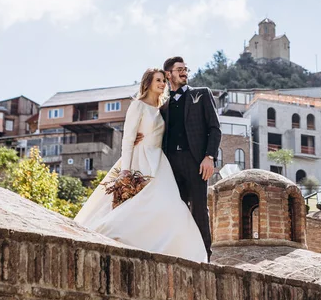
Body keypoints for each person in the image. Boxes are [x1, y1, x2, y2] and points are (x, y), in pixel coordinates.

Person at [74, 68, 207, 263]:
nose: (162, 84)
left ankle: (179, 250)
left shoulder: (162, 108)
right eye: (158, 80)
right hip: (140, 160)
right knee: (137, 204)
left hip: (160, 162)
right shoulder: (138, 106)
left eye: (164, 81)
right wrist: (126, 170)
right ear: (148, 83)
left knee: (172, 205)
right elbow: (127, 140)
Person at [158, 56, 221, 261]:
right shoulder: (164, 107)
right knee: (176, 208)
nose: (184, 72)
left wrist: (209, 157)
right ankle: (180, 252)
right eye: (179, 69)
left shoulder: (201, 94)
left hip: (196, 162)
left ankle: (205, 256)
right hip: (171, 164)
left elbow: (214, 128)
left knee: (199, 209)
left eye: (186, 69)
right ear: (169, 74)